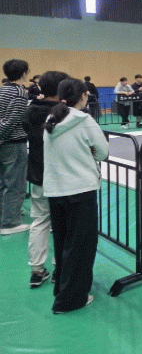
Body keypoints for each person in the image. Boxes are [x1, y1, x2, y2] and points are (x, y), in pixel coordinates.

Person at [44, 78, 109, 313]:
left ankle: (62, 288)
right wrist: (88, 150)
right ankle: (71, 299)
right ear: (83, 96)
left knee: (63, 242)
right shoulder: (85, 121)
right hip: (80, 190)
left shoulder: (52, 118)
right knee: (81, 245)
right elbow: (103, 152)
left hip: (56, 190)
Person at [22, 71, 69, 287]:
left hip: (39, 174)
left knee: (40, 221)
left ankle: (37, 270)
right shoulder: (66, 113)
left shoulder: (31, 110)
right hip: (63, 177)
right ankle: (61, 267)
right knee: (65, 224)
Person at [0, 59, 31, 235]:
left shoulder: (2, 89)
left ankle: (4, 215)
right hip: (13, 142)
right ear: (24, 73)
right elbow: (12, 120)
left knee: (3, 181)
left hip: (5, 142)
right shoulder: (20, 92)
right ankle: (10, 223)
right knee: (15, 183)